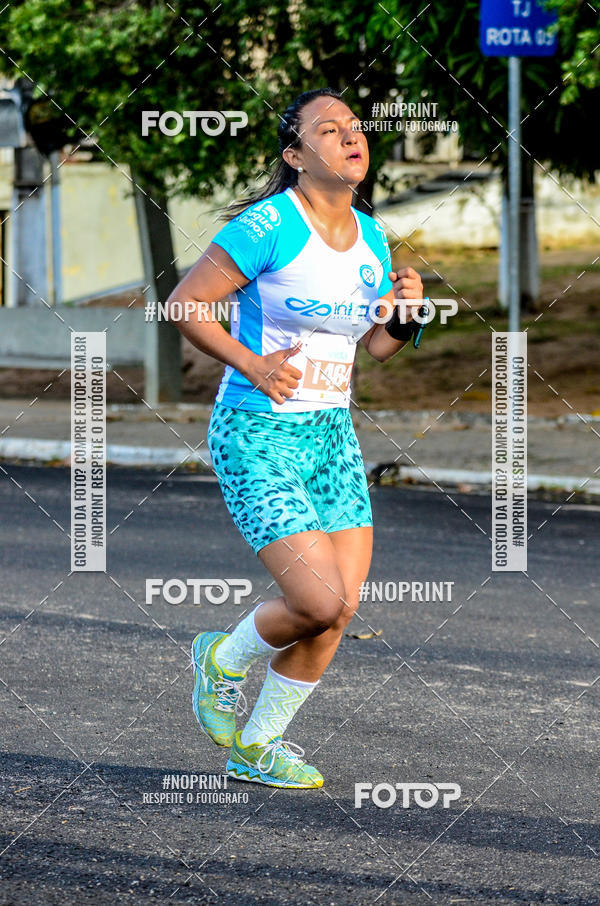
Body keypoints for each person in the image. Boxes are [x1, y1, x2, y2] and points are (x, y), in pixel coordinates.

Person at [167, 87, 424, 789]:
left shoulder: (372, 235)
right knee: (315, 602)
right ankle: (224, 657)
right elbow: (185, 303)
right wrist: (251, 363)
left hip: (331, 437)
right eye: (329, 129)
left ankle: (258, 746)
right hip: (258, 432)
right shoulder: (267, 224)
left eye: (356, 128)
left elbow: (376, 349)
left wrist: (405, 315)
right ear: (295, 154)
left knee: (339, 609)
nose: (351, 138)